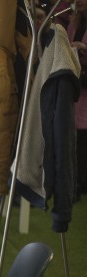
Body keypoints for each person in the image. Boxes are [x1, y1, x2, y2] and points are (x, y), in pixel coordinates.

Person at [67, 0, 87, 196]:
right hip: (77, 83)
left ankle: (81, 181)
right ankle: (77, 181)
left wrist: (83, 47)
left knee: (82, 137)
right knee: (76, 135)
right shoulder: (73, 23)